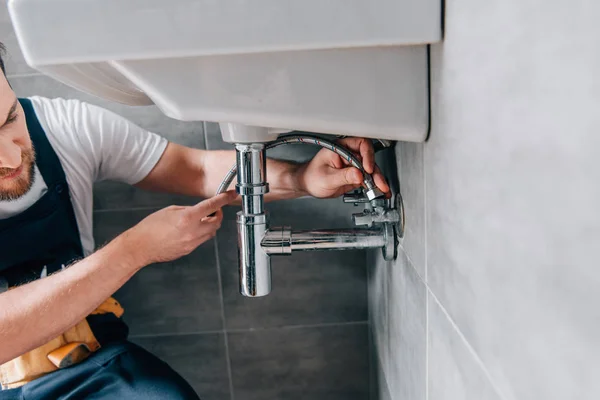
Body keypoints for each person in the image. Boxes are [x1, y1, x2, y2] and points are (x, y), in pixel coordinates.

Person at [0, 42, 389, 399]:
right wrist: (134, 250)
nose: (13, 159)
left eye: (9, 120)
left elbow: (195, 169)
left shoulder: (62, 127)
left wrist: (301, 177)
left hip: (92, 367)